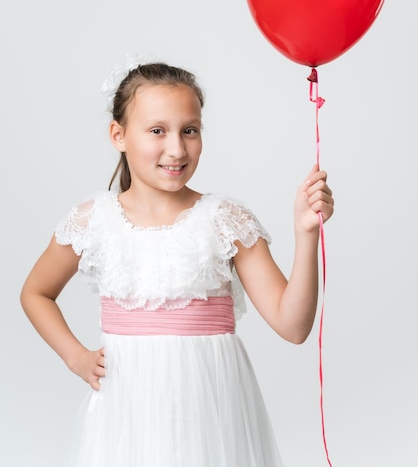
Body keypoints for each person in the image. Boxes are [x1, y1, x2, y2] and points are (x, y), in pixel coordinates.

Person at [21, 61, 334, 467]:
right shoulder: (92, 221)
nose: (177, 148)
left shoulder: (225, 220)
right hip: (127, 412)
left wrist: (305, 234)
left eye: (190, 130)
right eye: (157, 131)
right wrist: (76, 356)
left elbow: (293, 326)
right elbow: (36, 292)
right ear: (118, 135)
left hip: (211, 412)